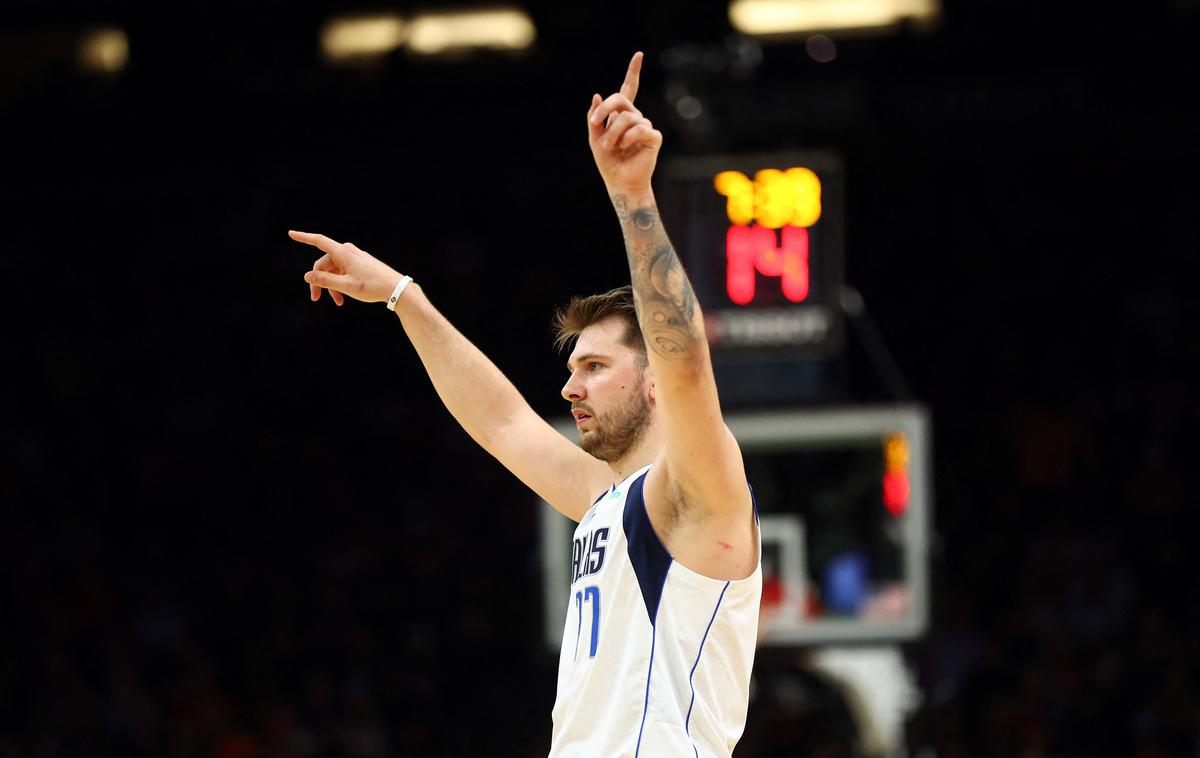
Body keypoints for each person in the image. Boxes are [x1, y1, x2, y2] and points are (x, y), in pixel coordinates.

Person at [289, 51, 761, 757]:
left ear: (654, 380)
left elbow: (687, 359)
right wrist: (402, 296)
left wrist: (632, 194)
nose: (571, 388)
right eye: (572, 369)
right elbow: (505, 423)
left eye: (596, 366)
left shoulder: (697, 495)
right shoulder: (609, 501)